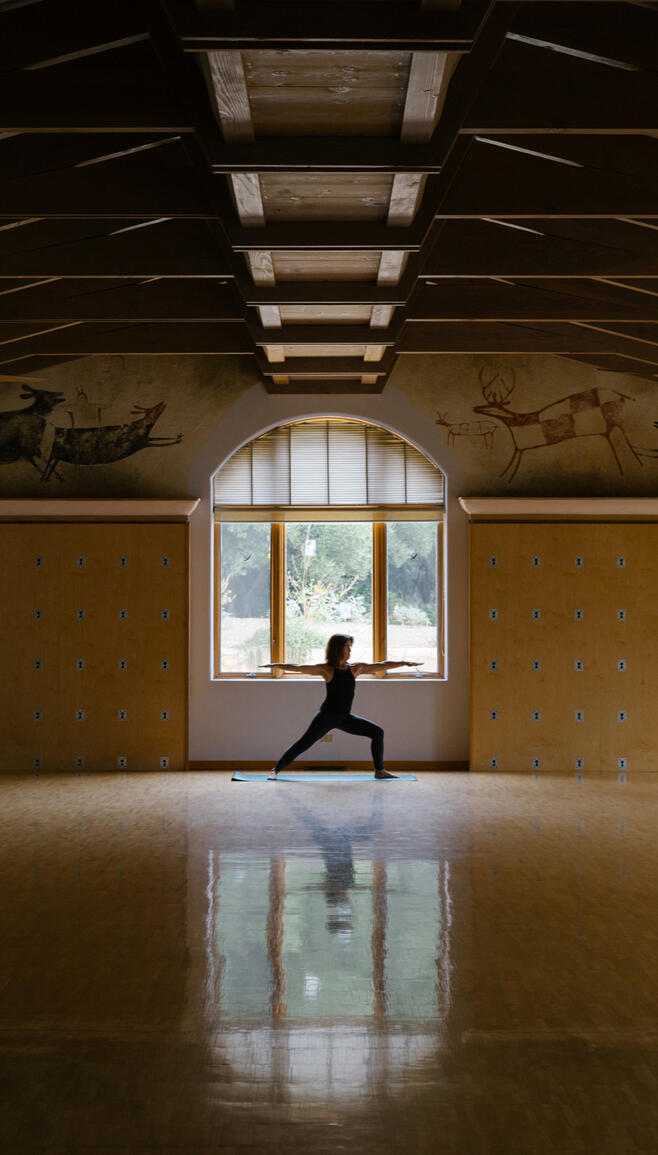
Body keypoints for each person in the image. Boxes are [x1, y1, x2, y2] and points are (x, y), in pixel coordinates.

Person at [259, 633, 421, 781]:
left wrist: (404, 663)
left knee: (377, 732)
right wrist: (277, 665)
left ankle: (380, 770)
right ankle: (275, 770)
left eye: (351, 647)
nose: (350, 650)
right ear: (337, 649)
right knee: (303, 744)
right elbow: (299, 667)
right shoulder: (327, 669)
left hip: (345, 717)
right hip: (327, 716)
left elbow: (383, 665)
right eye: (347, 647)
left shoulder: (356, 668)